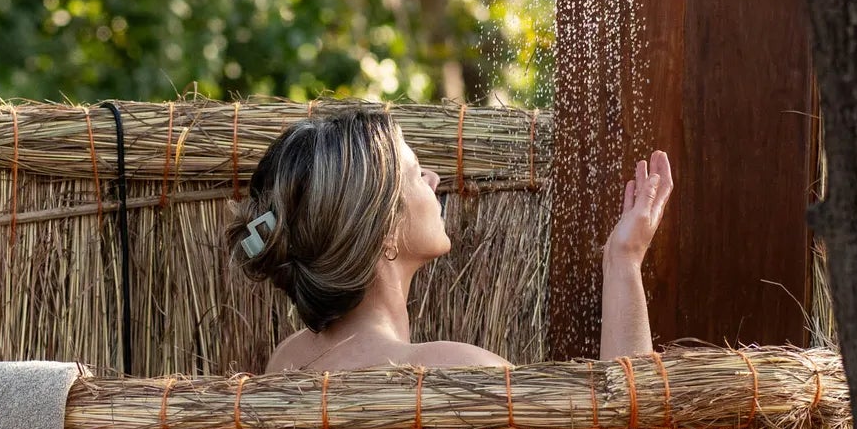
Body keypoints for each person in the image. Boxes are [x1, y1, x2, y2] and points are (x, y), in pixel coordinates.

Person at [229, 106, 672, 372]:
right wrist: (624, 260)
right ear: (383, 230)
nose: (435, 178)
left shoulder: (288, 363)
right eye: (415, 173)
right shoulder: (459, 372)